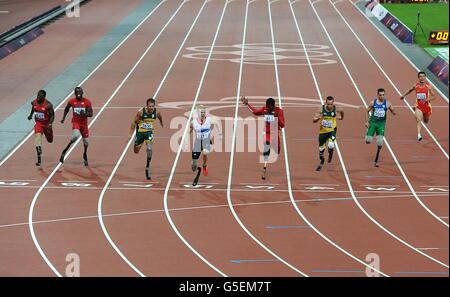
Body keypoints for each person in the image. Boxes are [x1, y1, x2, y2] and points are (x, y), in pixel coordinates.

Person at [241, 96, 285, 180]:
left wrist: (276, 117)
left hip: (275, 134)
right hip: (267, 133)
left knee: (277, 151)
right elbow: (255, 112)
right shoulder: (264, 109)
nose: (267, 108)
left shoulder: (279, 111)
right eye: (266, 106)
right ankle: (266, 154)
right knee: (266, 143)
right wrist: (247, 104)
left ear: (272, 106)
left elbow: (283, 125)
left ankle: (271, 148)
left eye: (268, 107)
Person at [129, 98, 163, 180]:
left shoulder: (157, 112)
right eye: (150, 106)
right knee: (136, 151)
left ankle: (147, 167)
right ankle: (138, 144)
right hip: (140, 133)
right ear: (147, 106)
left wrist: (161, 122)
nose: (151, 108)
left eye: (152, 106)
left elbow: (160, 117)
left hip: (149, 132)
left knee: (150, 149)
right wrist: (130, 133)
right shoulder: (141, 112)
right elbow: (134, 122)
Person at [59, 87, 93, 166]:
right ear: (74, 93)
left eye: (80, 92)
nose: (78, 94)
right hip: (76, 123)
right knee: (75, 136)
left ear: (82, 92)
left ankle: (84, 154)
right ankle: (65, 150)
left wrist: (84, 114)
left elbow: (91, 114)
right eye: (77, 92)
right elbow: (66, 108)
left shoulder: (87, 102)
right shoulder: (71, 101)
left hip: (84, 125)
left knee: (86, 143)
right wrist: (63, 118)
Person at [400, 71, 436, 141]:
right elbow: (410, 90)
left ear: (425, 77)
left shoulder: (429, 86)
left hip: (427, 107)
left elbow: (434, 96)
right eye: (420, 76)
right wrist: (403, 95)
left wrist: (426, 100)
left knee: (426, 121)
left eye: (423, 76)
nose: (422, 78)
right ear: (418, 78)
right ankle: (419, 134)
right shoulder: (415, 86)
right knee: (418, 119)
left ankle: (424, 117)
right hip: (418, 106)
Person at [365, 88, 396, 167]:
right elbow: (367, 110)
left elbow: (393, 111)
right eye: (380, 95)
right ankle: (368, 133)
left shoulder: (387, 103)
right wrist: (367, 121)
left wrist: (393, 111)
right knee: (368, 141)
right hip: (373, 123)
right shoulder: (373, 102)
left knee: (380, 142)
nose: (382, 96)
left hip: (381, 125)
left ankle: (376, 161)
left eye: (383, 95)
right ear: (377, 95)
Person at [313, 96, 344, 171]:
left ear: (333, 103)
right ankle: (322, 159)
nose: (330, 106)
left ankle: (330, 154)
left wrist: (341, 117)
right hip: (323, 131)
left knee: (331, 144)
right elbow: (314, 120)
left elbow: (342, 111)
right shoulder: (321, 109)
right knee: (321, 149)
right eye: (328, 104)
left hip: (332, 130)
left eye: (331, 104)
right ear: (325, 103)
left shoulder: (336, 108)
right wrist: (319, 117)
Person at [27, 90, 55, 166]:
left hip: (46, 125)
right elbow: (33, 108)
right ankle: (39, 155)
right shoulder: (34, 102)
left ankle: (39, 148)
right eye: (37, 95)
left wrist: (50, 124)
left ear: (44, 97)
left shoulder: (48, 105)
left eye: (40, 96)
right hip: (38, 124)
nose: (38, 97)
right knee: (37, 137)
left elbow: (52, 115)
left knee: (50, 140)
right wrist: (30, 115)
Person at [190, 105, 214, 177]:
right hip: (198, 142)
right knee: (194, 167)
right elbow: (190, 128)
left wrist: (220, 134)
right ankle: (194, 163)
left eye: (204, 112)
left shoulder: (209, 120)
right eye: (201, 112)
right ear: (198, 113)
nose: (202, 113)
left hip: (206, 140)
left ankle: (204, 165)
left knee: (205, 152)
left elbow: (217, 122)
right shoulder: (193, 122)